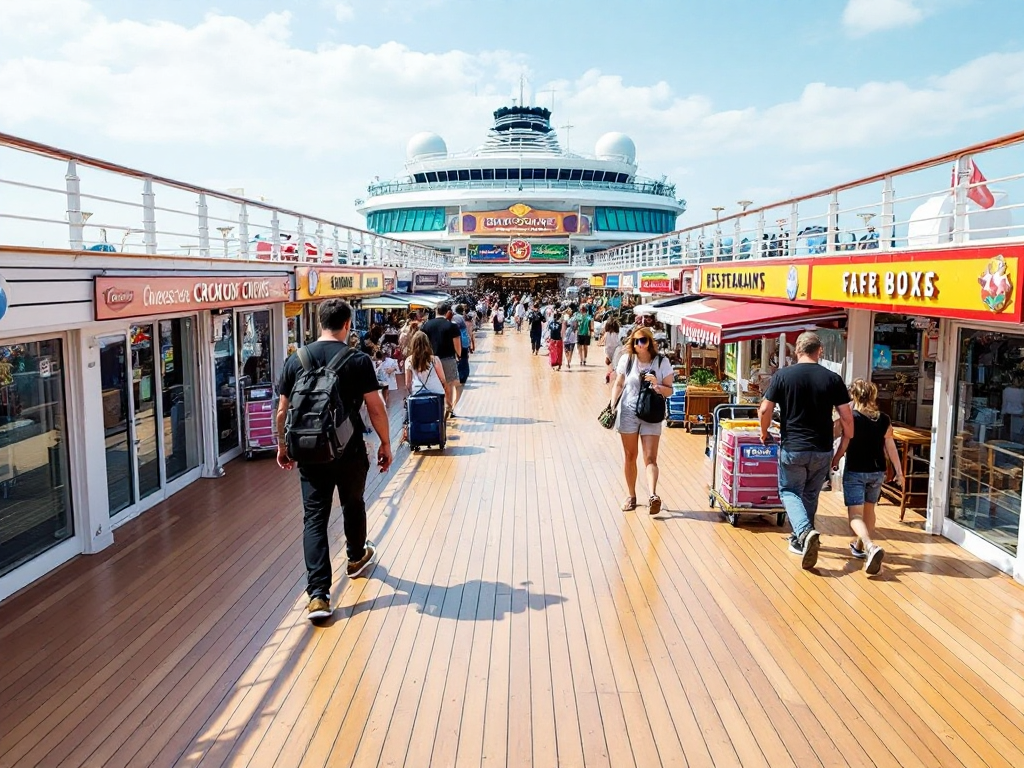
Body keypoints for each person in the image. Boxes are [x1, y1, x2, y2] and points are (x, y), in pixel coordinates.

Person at [275, 299, 392, 621]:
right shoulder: (357, 360)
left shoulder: (295, 360)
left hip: (310, 453)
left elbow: (283, 411)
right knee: (353, 504)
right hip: (349, 450)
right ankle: (355, 557)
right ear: (347, 324)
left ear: (319, 323)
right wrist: (385, 443)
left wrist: (283, 446)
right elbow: (376, 407)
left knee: (314, 518)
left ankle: (318, 595)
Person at [758, 331, 854, 570]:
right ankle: (801, 540)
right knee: (810, 495)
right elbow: (846, 416)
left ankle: (803, 532)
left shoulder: (783, 376)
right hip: (822, 449)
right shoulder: (833, 379)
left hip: (793, 447)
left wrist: (764, 432)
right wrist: (845, 443)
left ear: (797, 351)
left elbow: (764, 410)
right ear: (819, 351)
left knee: (789, 491)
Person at [833, 379, 903, 575]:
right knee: (870, 510)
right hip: (877, 472)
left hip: (856, 470)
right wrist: (899, 471)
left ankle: (870, 546)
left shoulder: (852, 418)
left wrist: (835, 460)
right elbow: (890, 446)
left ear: (854, 397)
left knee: (855, 516)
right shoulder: (884, 419)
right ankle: (860, 546)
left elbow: (845, 443)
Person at [609, 326, 675, 515]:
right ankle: (631, 496)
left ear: (649, 342)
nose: (640, 344)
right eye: (636, 341)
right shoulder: (627, 360)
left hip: (652, 412)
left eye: (643, 340)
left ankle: (653, 495)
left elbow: (670, 390)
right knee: (630, 456)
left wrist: (657, 385)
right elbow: (619, 383)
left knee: (650, 458)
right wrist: (613, 404)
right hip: (628, 411)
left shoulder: (662, 362)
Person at [420, 303, 462, 419]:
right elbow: (457, 344)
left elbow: (422, 343)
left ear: (436, 311)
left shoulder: (426, 325)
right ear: (447, 312)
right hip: (447, 359)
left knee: (433, 383)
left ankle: (436, 408)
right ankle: (449, 408)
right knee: (449, 384)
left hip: (431, 359)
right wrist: (459, 355)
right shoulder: (451, 326)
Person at [452, 304, 474, 411]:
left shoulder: (453, 320)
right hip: (462, 352)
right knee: (460, 381)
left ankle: (449, 407)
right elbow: (468, 336)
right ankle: (453, 405)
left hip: (452, 356)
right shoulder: (462, 321)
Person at [603, 317, 622, 384]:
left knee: (610, 364)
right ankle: (614, 376)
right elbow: (619, 342)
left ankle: (608, 374)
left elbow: (605, 343)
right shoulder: (617, 333)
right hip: (617, 350)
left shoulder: (607, 333)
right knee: (615, 365)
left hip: (608, 351)